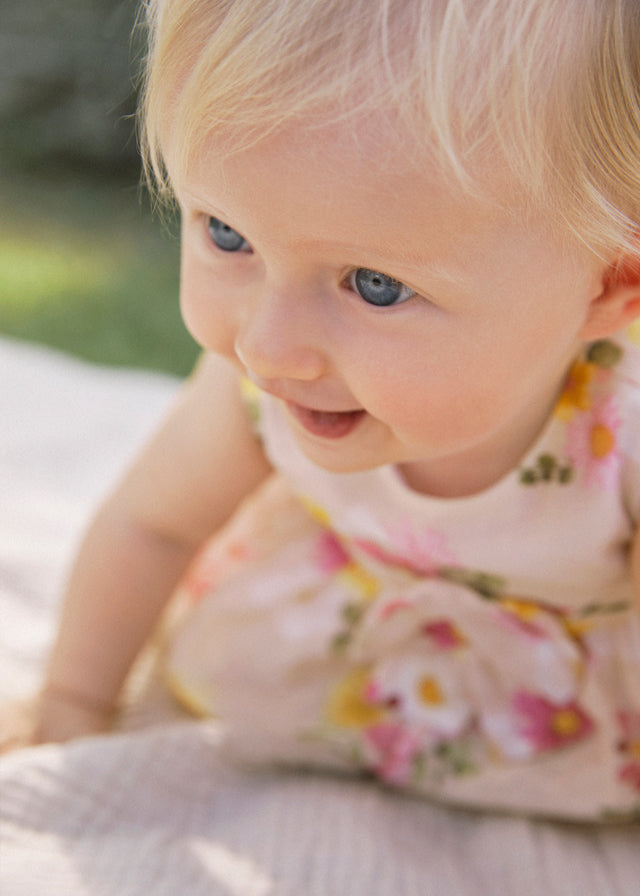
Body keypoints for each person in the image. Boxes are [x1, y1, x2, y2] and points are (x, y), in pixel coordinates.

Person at [2, 0, 640, 820]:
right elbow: (150, 525)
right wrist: (76, 698)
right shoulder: (261, 378)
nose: (269, 349)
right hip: (350, 647)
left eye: (376, 285)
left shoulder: (620, 430)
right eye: (228, 235)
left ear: (608, 286)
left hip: (574, 707)